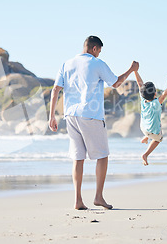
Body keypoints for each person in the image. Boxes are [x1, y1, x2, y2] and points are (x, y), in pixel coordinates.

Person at [48, 36, 139, 210]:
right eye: (99, 51)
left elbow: (55, 90)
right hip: (90, 114)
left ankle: (78, 200)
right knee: (103, 156)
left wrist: (52, 116)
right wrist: (131, 69)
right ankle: (98, 197)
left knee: (78, 158)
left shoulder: (66, 64)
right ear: (95, 48)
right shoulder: (96, 63)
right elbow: (116, 83)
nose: (99, 54)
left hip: (71, 115)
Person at [134, 70, 167, 166]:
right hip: (153, 131)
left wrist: (135, 71)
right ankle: (145, 154)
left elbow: (140, 84)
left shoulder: (143, 100)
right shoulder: (156, 104)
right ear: (155, 94)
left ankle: (146, 138)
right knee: (158, 139)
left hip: (143, 129)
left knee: (152, 126)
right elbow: (164, 95)